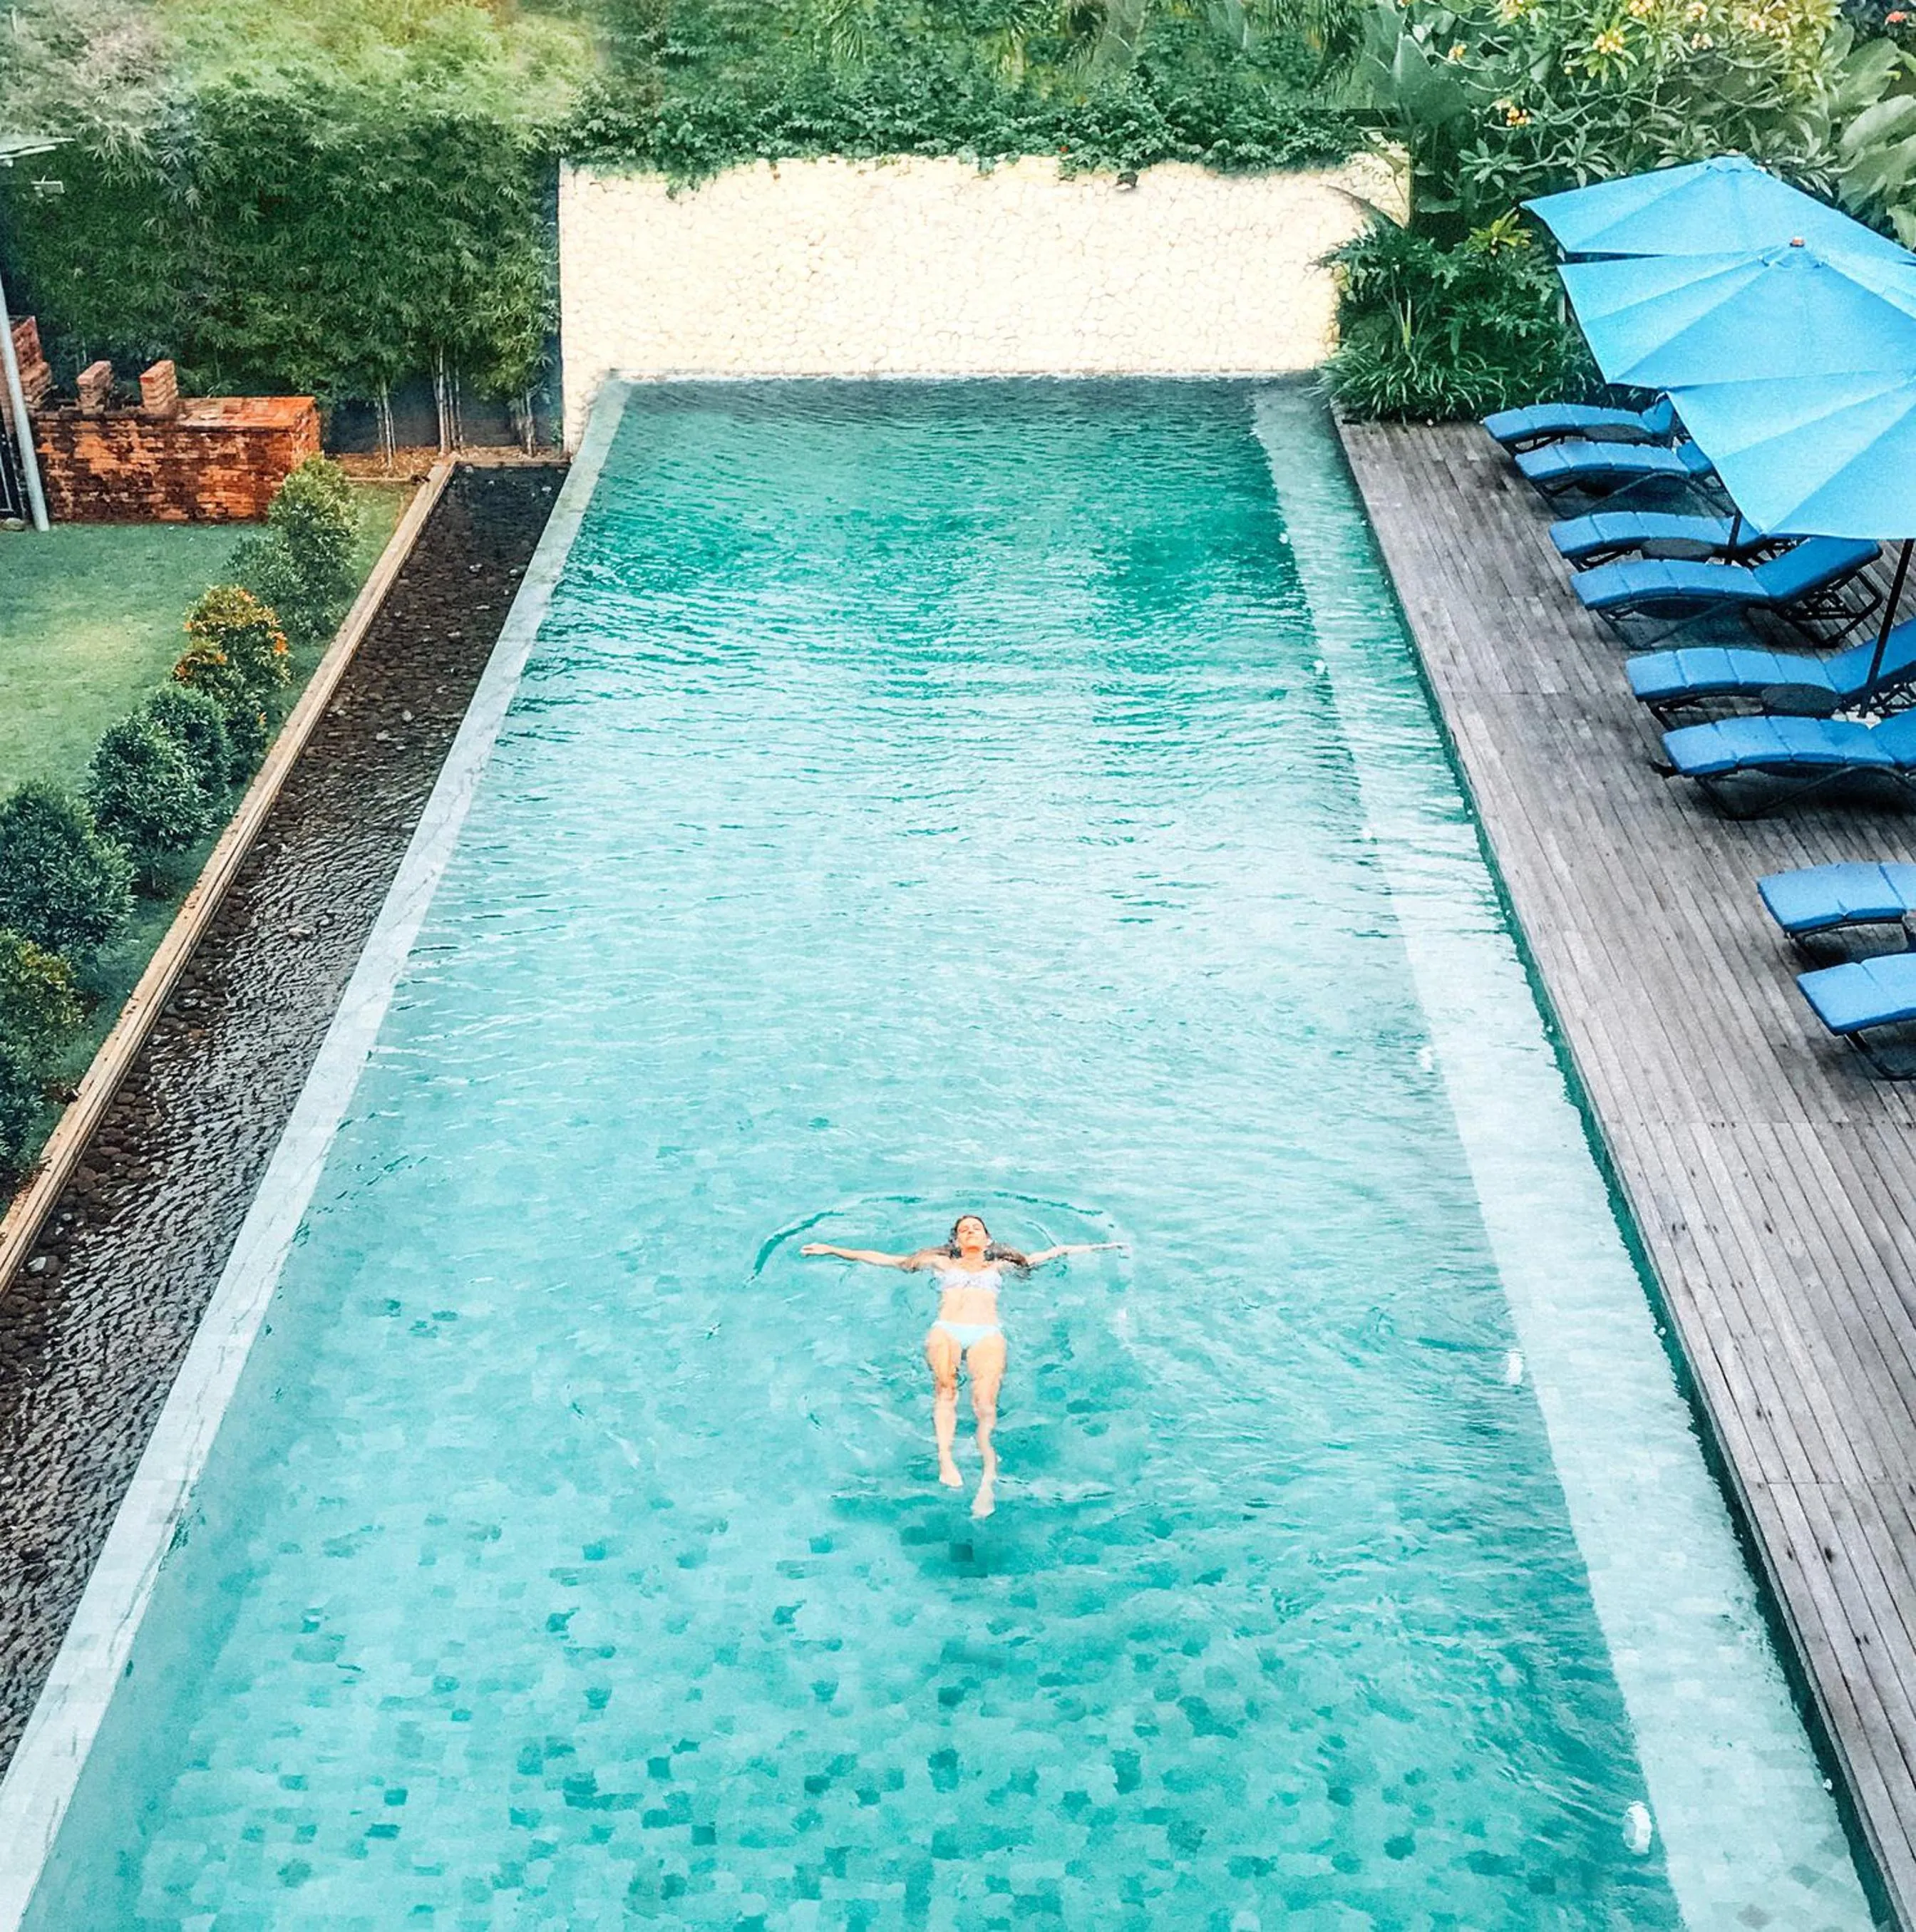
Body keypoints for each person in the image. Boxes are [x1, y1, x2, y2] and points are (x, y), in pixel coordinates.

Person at [800, 1214, 1117, 1519]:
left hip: (987, 1333)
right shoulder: (940, 1263)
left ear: (988, 1238)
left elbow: (1055, 1252)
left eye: (976, 1228)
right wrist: (832, 1249)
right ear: (955, 1240)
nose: (970, 1232)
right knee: (945, 1390)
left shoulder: (1002, 1265)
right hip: (947, 1329)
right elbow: (887, 1259)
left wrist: (1105, 1247)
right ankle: (945, 1459)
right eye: (964, 1230)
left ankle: (987, 1481)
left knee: (985, 1405)